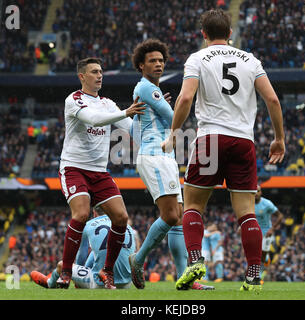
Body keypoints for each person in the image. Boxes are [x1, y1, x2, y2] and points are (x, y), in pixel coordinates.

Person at [161, 9, 285, 292]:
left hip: (210, 138)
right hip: (243, 141)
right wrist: (279, 138)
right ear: (230, 33)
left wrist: (174, 133)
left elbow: (186, 98)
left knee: (193, 206)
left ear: (203, 34)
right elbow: (273, 100)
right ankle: (253, 275)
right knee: (247, 212)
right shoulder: (251, 60)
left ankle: (194, 261)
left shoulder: (197, 58)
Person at [128, 39, 213, 291]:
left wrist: (162, 107)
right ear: (141, 65)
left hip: (164, 157)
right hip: (155, 157)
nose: (158, 64)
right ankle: (138, 258)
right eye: (152, 61)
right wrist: (170, 107)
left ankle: (185, 278)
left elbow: (146, 127)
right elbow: (171, 116)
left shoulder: (149, 92)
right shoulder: (145, 88)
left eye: (161, 61)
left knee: (178, 221)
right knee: (172, 215)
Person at [57, 57, 145, 289]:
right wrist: (126, 112)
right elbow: (92, 118)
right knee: (82, 213)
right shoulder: (73, 100)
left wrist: (152, 115)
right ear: (82, 76)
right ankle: (66, 272)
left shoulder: (107, 103)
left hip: (99, 172)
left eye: (101, 71)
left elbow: (132, 129)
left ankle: (107, 271)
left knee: (121, 218)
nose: (99, 75)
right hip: (74, 168)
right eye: (94, 72)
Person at [31, 210, 136, 289]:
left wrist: (79, 278)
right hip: (126, 283)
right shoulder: (126, 225)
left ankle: (49, 282)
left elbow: (82, 254)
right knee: (100, 251)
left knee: (62, 265)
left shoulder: (89, 225)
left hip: (101, 283)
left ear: (94, 212)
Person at [254, 184, 284, 279]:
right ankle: (258, 275)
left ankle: (265, 260)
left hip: (267, 231)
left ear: (261, 192)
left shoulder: (267, 204)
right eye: (254, 191)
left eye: (258, 191)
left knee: (262, 255)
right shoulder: (248, 204)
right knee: (256, 254)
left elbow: (280, 216)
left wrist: (272, 229)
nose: (256, 193)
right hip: (255, 231)